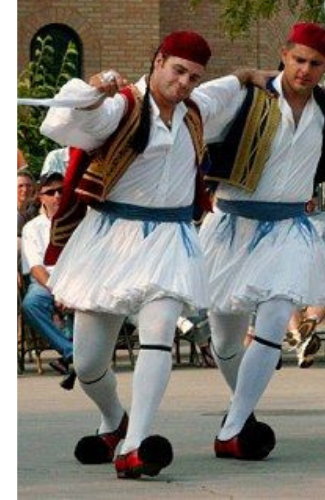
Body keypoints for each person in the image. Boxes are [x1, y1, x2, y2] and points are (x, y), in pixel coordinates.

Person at [38, 30, 251, 479]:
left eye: (193, 77)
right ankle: (114, 420)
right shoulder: (121, 107)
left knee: (158, 334)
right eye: (178, 71)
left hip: (171, 239)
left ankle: (135, 444)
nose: (184, 82)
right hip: (110, 240)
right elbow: (63, 124)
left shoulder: (196, 109)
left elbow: (229, 86)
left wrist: (251, 74)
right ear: (158, 61)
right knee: (89, 363)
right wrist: (92, 90)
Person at [198, 22, 325, 461]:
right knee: (225, 340)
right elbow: (191, 103)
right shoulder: (247, 97)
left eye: (315, 63)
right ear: (284, 54)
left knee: (273, 320)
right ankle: (242, 415)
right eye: (299, 59)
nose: (305, 70)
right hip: (231, 227)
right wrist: (235, 77)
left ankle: (231, 428)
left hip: (287, 229)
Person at [20, 172, 74, 376]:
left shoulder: (80, 222)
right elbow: (36, 268)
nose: (57, 196)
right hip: (46, 281)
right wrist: (58, 291)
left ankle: (75, 353)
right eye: (51, 192)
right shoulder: (32, 228)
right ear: (40, 197)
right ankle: (72, 351)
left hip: (76, 279)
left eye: (61, 190)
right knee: (31, 304)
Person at [286, 189, 325, 368]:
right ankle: (303, 342)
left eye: (312, 197)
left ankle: (300, 334)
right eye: (305, 197)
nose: (309, 200)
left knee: (324, 292)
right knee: (287, 298)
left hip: (321, 274)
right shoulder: (287, 219)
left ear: (317, 199)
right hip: (293, 275)